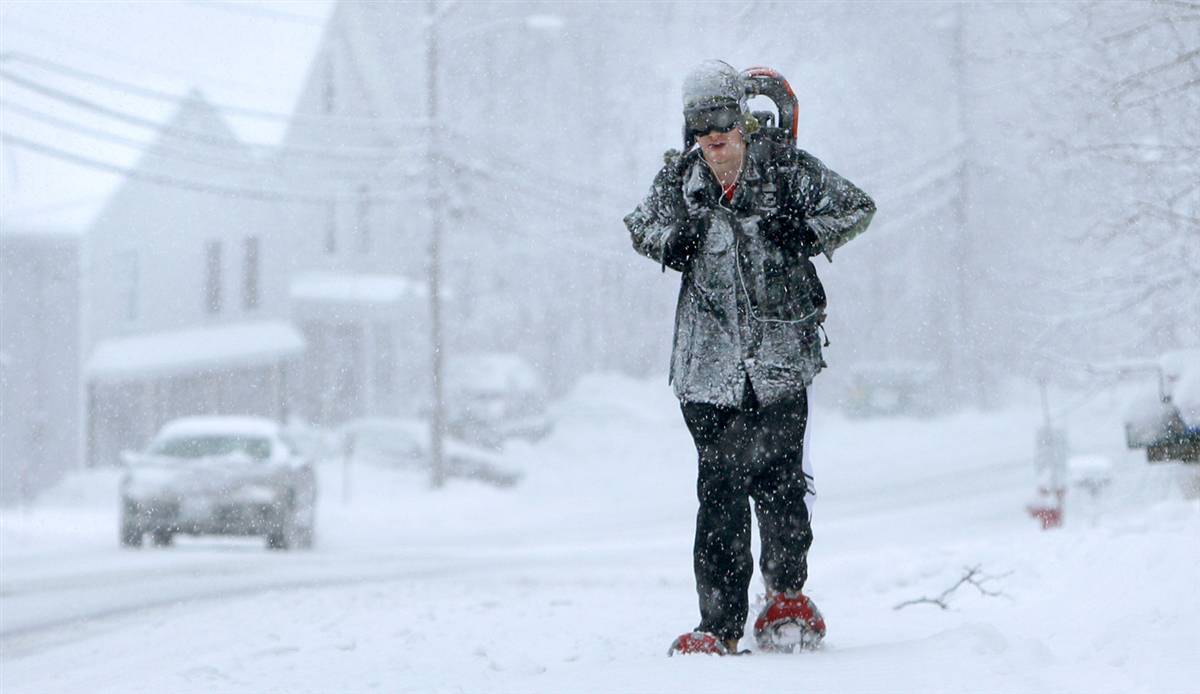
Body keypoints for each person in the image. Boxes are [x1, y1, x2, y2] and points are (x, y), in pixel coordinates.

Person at [624, 60, 875, 655]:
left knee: (782, 482)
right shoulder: (679, 185)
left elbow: (857, 207)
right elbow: (639, 228)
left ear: (743, 120)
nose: (713, 134)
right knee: (720, 493)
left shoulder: (786, 172)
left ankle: (787, 594)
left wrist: (806, 232)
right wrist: (670, 243)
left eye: (723, 119)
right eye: (700, 123)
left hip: (781, 360)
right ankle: (718, 626)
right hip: (706, 370)